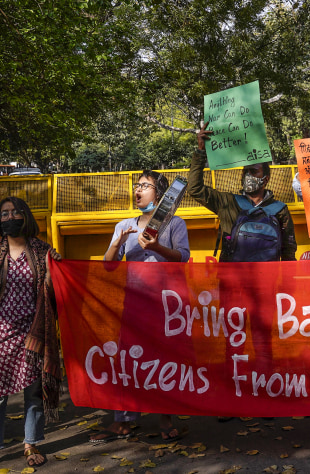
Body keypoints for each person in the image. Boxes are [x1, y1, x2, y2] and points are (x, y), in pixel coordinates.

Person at [90, 170, 190, 444]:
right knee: (128, 360)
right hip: (133, 304)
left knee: (165, 359)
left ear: (161, 194)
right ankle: (122, 421)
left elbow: (183, 257)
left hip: (165, 305)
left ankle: (166, 417)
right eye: (137, 186)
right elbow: (108, 265)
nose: (138, 191)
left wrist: (157, 247)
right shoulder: (124, 225)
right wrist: (118, 243)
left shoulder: (175, 224)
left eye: (145, 186)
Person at [0, 196, 62, 468]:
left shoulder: (41, 250)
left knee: (33, 392)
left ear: (25, 216)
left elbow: (59, 288)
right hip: (1, 331)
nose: (9, 217)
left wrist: (57, 268)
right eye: (3, 214)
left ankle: (30, 443)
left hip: (34, 331)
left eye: (15, 212)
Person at [192, 123, 297, 262]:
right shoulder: (227, 202)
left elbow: (288, 251)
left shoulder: (280, 210)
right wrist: (200, 152)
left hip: (266, 280)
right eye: (245, 171)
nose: (247, 175)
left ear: (266, 179)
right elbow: (195, 189)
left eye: (253, 171)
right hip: (231, 279)